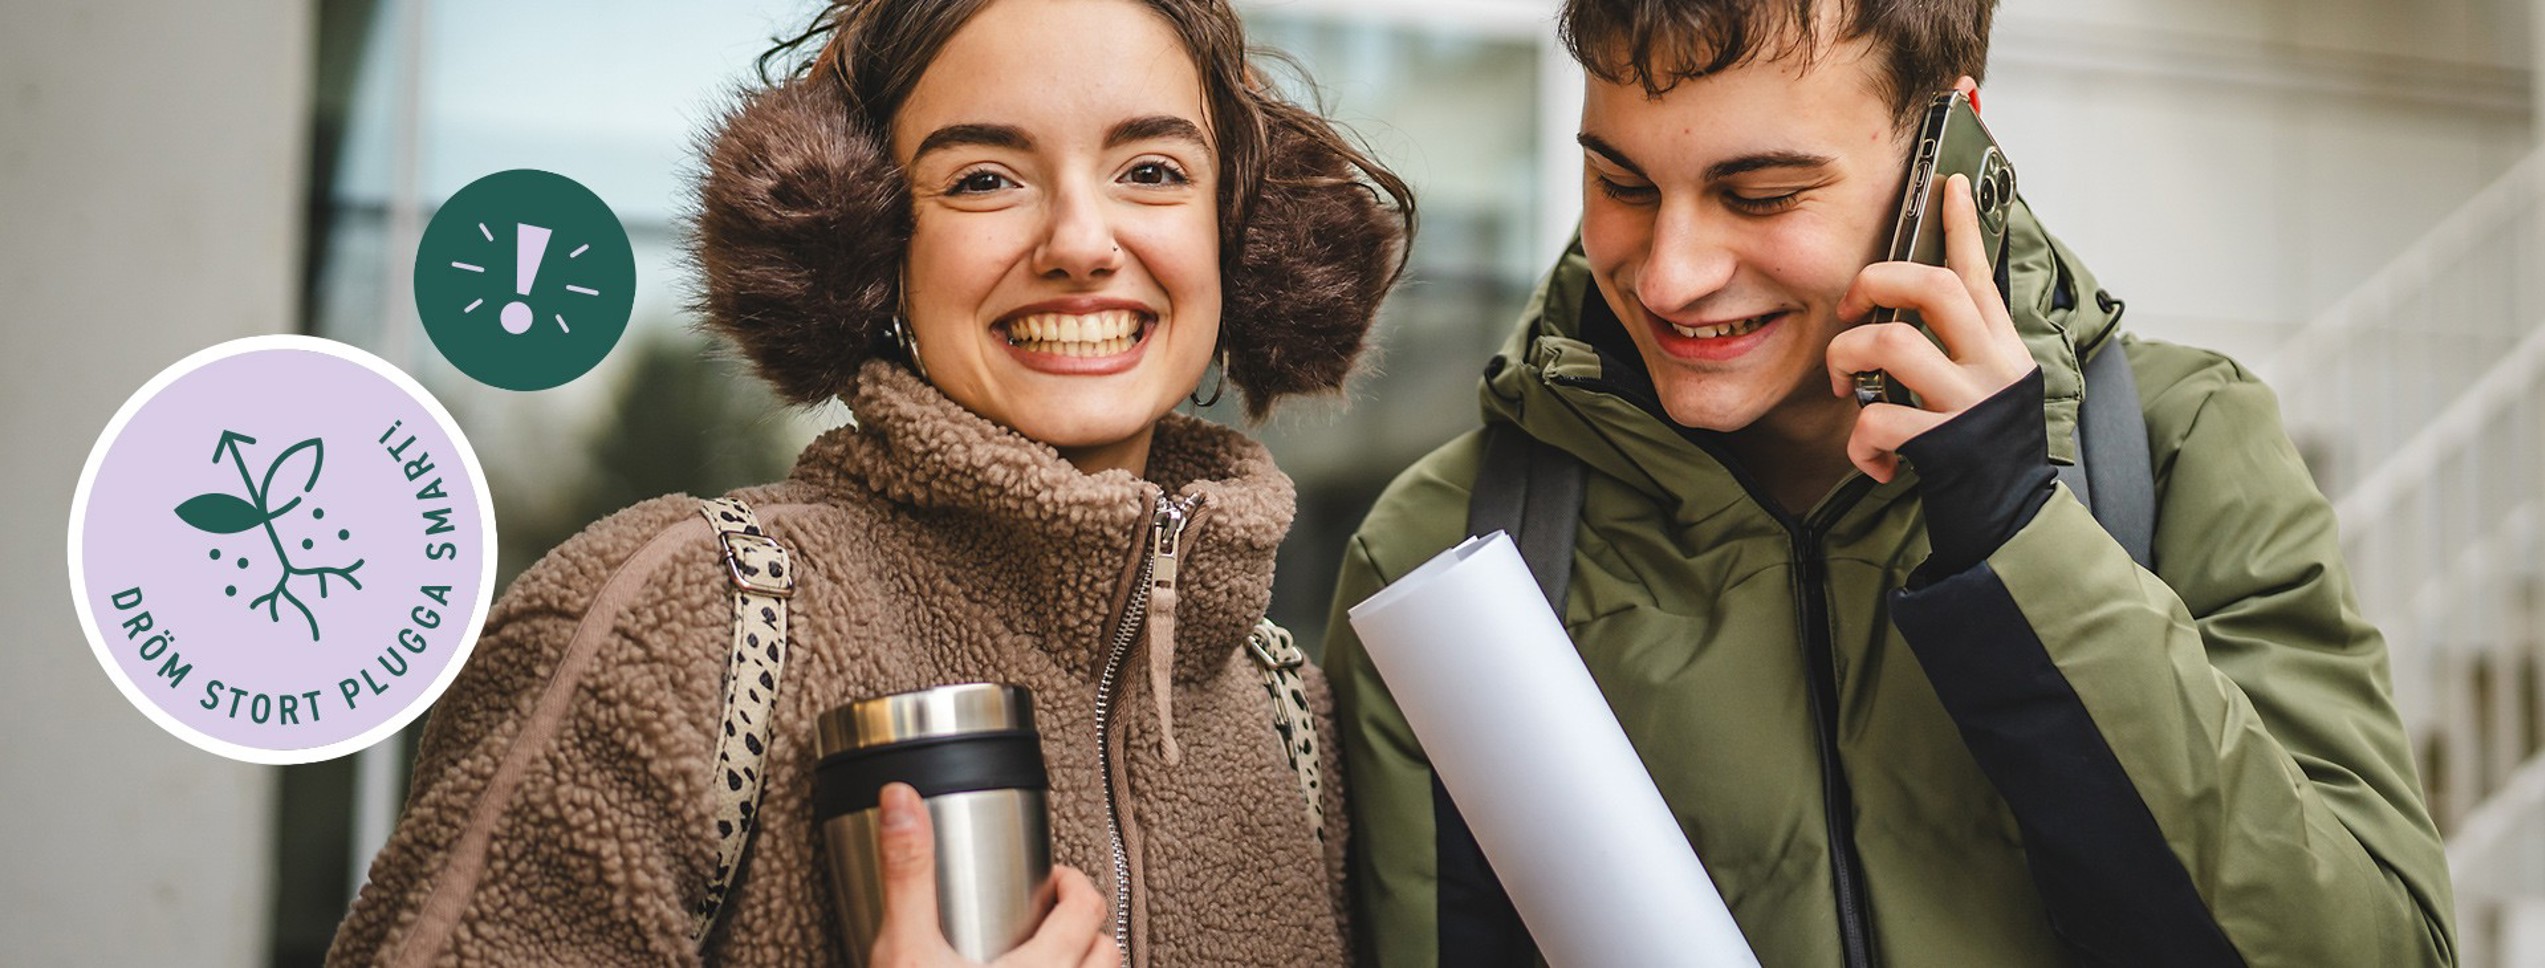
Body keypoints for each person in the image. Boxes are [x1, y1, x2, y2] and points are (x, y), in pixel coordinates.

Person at [1322, 1, 2455, 965]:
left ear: (1945, 152)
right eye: (1620, 181)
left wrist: (2020, 539)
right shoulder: (1441, 545)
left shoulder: (2180, 450)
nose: (1670, 272)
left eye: (1760, 193)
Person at [326, 0, 1410, 964]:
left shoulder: (1286, 708)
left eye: (1152, 171)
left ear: (1241, 235)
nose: (1082, 241)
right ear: (867, 246)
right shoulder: (678, 621)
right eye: (985, 177)